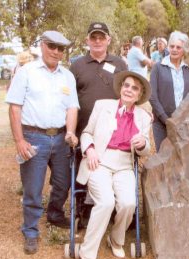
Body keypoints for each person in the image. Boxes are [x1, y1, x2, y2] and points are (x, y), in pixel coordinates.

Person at [6, 30, 80, 254]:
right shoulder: (26, 72)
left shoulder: (67, 76)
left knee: (63, 182)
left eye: (60, 48)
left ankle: (55, 215)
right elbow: (14, 107)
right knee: (33, 187)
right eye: (51, 46)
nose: (56, 52)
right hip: (33, 136)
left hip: (60, 138)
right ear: (42, 46)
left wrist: (70, 132)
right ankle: (30, 231)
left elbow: (72, 107)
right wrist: (19, 140)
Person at [76, 71, 152, 259]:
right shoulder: (103, 106)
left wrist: (143, 142)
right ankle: (87, 251)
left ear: (139, 94)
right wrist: (89, 149)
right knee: (106, 202)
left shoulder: (143, 116)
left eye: (134, 88)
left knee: (129, 203)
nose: (129, 90)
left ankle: (116, 239)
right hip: (99, 161)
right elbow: (86, 133)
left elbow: (147, 148)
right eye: (126, 85)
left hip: (124, 163)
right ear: (121, 88)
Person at [70, 22, 128, 225]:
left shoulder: (119, 64)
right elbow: (70, 100)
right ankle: (83, 208)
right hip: (83, 130)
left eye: (101, 37)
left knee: (108, 168)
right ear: (87, 40)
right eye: (93, 37)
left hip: (112, 132)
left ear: (108, 40)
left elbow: (128, 95)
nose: (97, 41)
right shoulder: (76, 65)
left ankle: (111, 208)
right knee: (83, 169)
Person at [149, 31, 189, 151]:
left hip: (182, 124)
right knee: (163, 159)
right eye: (172, 46)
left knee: (180, 158)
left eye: (178, 47)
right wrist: (165, 119)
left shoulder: (187, 70)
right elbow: (152, 95)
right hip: (162, 124)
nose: (174, 49)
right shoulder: (158, 67)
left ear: (184, 50)